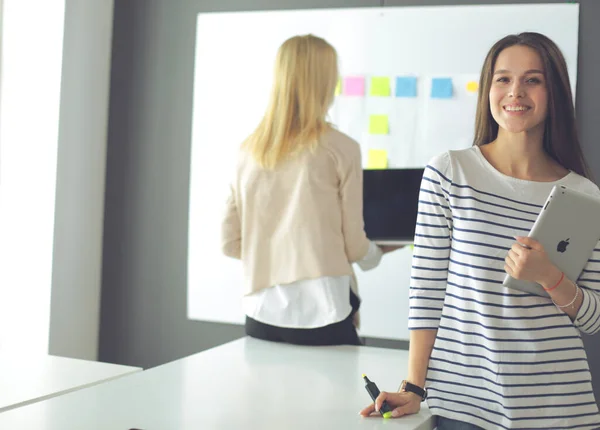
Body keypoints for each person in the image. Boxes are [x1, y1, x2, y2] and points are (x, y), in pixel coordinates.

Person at [360, 32, 600, 429]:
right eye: (503, 79)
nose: (515, 92)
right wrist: (414, 387)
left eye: (533, 79)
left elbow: (594, 317)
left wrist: (550, 278)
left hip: (560, 408)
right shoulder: (450, 172)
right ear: (488, 88)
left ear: (553, 90)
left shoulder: (584, 195)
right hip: (464, 407)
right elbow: (426, 289)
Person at [221, 34, 398, 347]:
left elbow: (229, 243)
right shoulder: (341, 148)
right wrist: (380, 251)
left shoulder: (247, 151)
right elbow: (355, 246)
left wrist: (274, 254)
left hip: (261, 310)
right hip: (323, 308)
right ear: (324, 83)